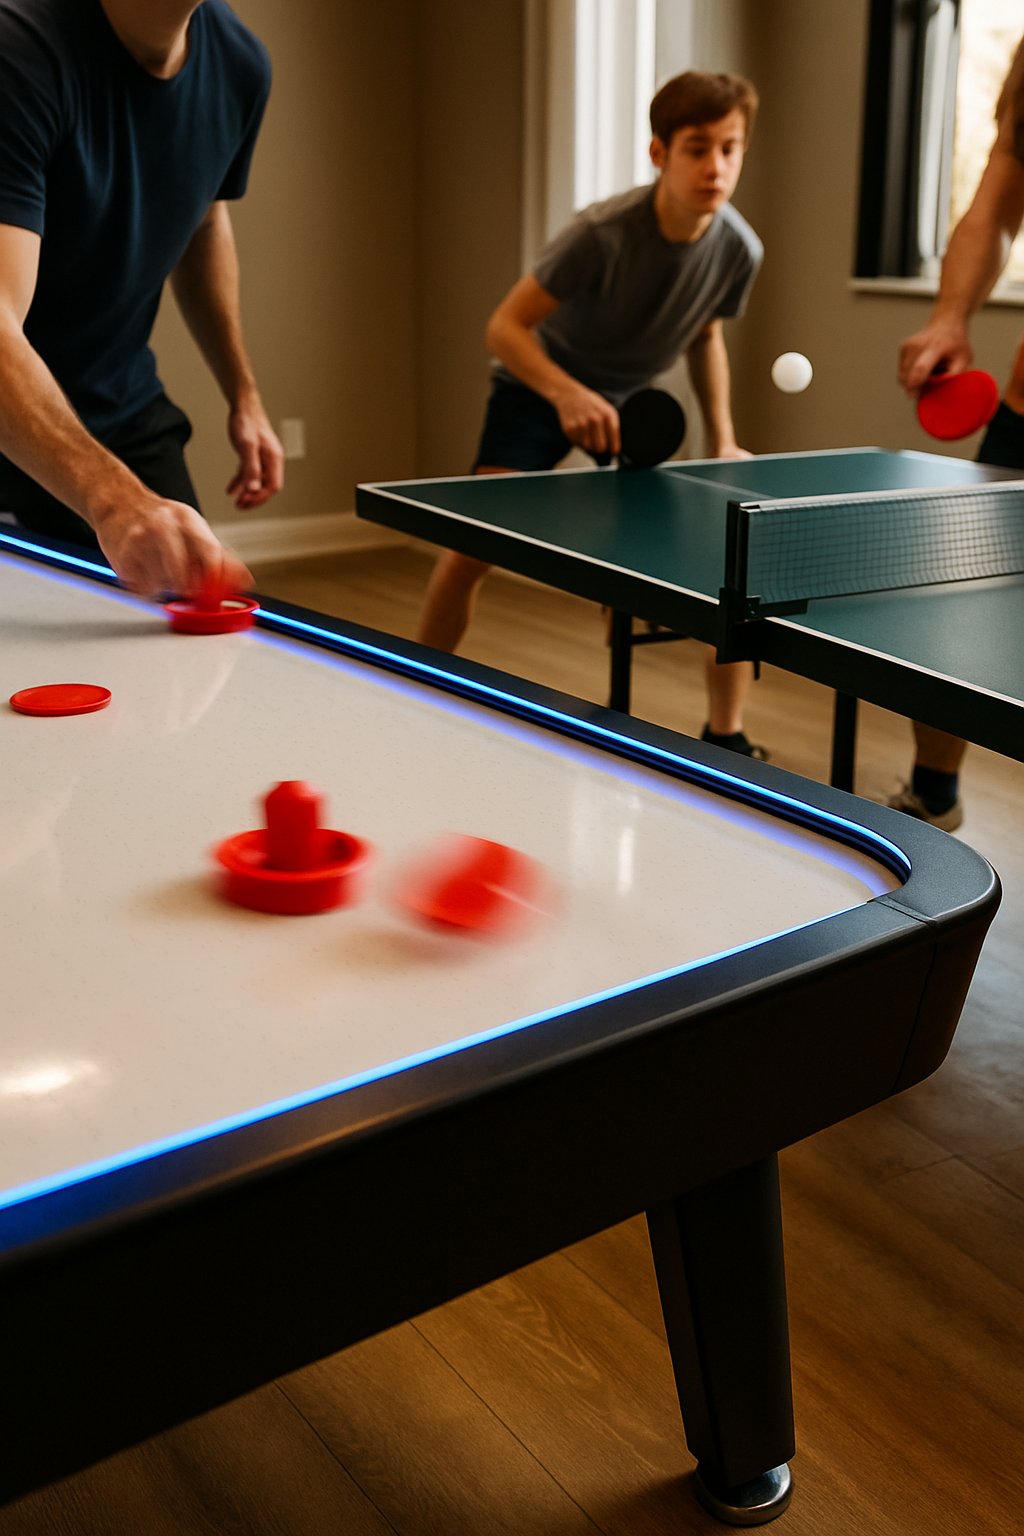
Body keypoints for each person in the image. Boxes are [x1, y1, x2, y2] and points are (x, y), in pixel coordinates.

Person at [416, 70, 766, 757]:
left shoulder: (738, 250)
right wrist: (566, 393)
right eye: (697, 148)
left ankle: (723, 735)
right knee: (471, 547)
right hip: (541, 386)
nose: (716, 166)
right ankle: (416, 680)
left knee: (679, 572)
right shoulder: (601, 234)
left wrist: (723, 439)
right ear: (659, 153)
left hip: (632, 402)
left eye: (730, 149)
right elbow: (504, 328)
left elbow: (705, 335)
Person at [0, 0, 284, 598]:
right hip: (15, 410)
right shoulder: (18, 49)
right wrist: (112, 499)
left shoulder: (240, 65)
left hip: (120, 406)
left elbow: (206, 222)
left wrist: (244, 395)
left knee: (206, 620)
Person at [896, 35, 1024, 829]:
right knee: (955, 606)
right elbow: (996, 208)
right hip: (1022, 420)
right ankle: (932, 795)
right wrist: (950, 316)